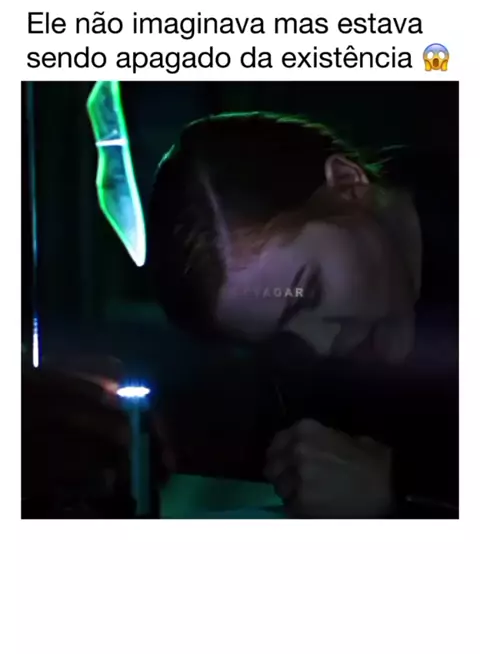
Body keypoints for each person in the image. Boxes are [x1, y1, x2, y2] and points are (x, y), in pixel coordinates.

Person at [147, 112, 458, 518]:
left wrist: (400, 498)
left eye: (309, 292)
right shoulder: (297, 384)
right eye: (282, 339)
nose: (322, 346)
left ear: (347, 184)